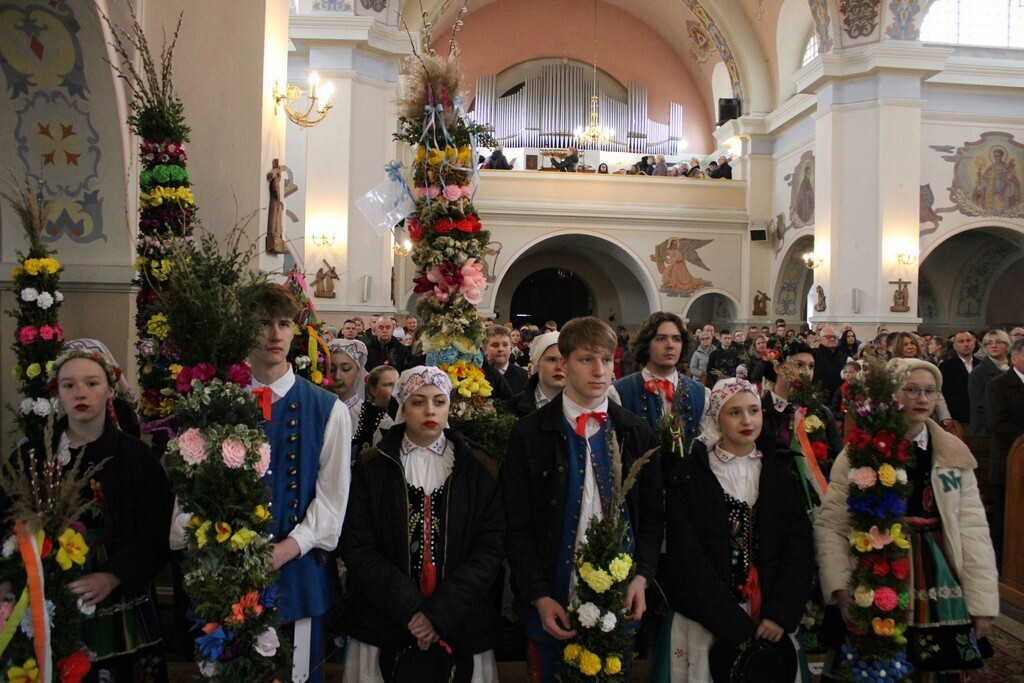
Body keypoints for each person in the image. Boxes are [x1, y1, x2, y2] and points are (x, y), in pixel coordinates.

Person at [815, 359, 999, 679]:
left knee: (936, 668)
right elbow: (833, 522)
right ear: (893, 393)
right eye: (912, 390)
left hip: (938, 570)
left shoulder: (953, 454)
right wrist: (840, 584)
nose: (922, 399)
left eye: (930, 392)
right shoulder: (861, 452)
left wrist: (983, 601)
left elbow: (972, 528)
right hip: (875, 566)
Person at [502, 317, 663, 682]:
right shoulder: (530, 433)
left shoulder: (635, 431)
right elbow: (518, 525)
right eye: (586, 359)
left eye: (607, 360)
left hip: (619, 596)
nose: (600, 371)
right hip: (552, 593)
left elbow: (652, 516)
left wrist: (642, 578)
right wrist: (538, 595)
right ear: (563, 362)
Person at [4, 348, 173, 680]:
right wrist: (7, 578)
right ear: (57, 393)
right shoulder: (31, 455)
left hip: (116, 588)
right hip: (43, 589)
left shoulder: (136, 457)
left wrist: (113, 575)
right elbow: (5, 518)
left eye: (91, 383)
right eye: (68, 385)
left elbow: (156, 528)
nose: (80, 393)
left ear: (110, 390)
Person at [341, 366, 504, 682]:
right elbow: (358, 546)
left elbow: (490, 548)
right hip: (386, 619)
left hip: (461, 620)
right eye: (418, 402)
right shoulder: (371, 467)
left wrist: (440, 612)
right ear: (403, 406)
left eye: (439, 401)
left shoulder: (480, 468)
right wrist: (412, 610)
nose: (430, 410)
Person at [663, 378, 814, 681]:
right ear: (716, 416)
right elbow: (686, 556)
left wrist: (779, 614)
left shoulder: (780, 473)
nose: (747, 420)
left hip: (771, 622)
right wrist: (729, 621)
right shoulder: (691, 476)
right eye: (734, 412)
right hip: (709, 619)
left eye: (754, 410)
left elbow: (798, 549)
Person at [250, 284, 351, 681]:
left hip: (300, 574)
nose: (275, 334)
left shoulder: (328, 409)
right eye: (263, 323)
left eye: (284, 323)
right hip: (229, 575)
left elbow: (332, 500)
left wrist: (287, 548)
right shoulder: (220, 401)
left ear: (296, 330)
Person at [614, 311, 708, 449]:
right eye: (660, 338)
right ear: (646, 344)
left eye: (676, 339)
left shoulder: (701, 393)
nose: (670, 345)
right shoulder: (619, 392)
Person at [760, 341, 843, 471]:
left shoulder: (822, 413)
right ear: (778, 368)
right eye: (799, 365)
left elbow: (838, 461)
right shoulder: (760, 412)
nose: (807, 372)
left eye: (811, 367)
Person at [985, 338, 1024, 561]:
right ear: (1015, 358)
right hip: (1010, 460)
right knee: (1005, 515)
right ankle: (1001, 563)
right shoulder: (998, 385)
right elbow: (997, 422)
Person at [62, 337, 141, 437]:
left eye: (91, 383)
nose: (80, 392)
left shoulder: (122, 412)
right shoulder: (53, 417)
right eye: (70, 384)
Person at [513, 331, 566, 417]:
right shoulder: (515, 405)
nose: (559, 367)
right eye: (552, 360)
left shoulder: (586, 404)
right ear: (537, 363)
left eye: (565, 361)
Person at [968, 329, 1011, 435]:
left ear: (1007, 345)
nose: (993, 346)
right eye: (989, 343)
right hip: (988, 430)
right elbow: (979, 406)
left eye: (998, 342)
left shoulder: (1014, 368)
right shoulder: (978, 372)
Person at [352, 365, 399, 453]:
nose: (395, 390)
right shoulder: (359, 412)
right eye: (388, 385)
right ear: (373, 390)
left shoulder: (401, 416)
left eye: (397, 384)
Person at [328, 338, 369, 427]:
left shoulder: (372, 417)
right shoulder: (318, 410)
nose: (337, 376)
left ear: (358, 372)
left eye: (346, 369)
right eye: (332, 369)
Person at [940, 330, 976, 425]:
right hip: (958, 417)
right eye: (961, 341)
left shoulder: (981, 364)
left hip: (979, 417)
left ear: (974, 343)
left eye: (968, 340)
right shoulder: (946, 367)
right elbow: (947, 394)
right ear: (955, 346)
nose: (966, 344)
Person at [484, 326, 529, 396]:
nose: (501, 349)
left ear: (511, 347)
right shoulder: (479, 373)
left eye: (505, 345)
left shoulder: (522, 375)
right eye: (495, 345)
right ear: (485, 349)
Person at [812, 326, 846, 402]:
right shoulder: (813, 355)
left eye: (834, 337)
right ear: (820, 339)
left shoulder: (844, 357)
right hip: (818, 398)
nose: (832, 339)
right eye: (828, 337)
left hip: (838, 400)